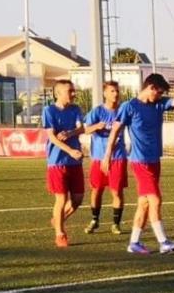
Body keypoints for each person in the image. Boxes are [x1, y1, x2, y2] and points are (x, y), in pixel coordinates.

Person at [103, 73, 174, 254]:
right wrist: (107, 156)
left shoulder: (159, 104)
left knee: (144, 203)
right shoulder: (129, 107)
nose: (160, 96)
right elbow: (115, 132)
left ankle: (134, 242)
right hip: (140, 161)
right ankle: (163, 241)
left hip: (154, 160)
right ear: (150, 87)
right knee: (155, 199)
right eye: (158, 92)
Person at [43, 80, 85, 247]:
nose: (73, 94)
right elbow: (52, 137)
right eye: (70, 91)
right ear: (58, 93)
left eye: (74, 90)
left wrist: (70, 133)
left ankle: (57, 220)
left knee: (77, 200)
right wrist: (69, 150)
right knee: (61, 199)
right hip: (57, 162)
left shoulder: (75, 109)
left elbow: (81, 128)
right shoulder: (49, 110)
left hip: (75, 162)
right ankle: (60, 233)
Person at [83, 80, 127, 235]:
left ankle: (116, 224)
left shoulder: (122, 111)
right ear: (105, 93)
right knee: (97, 190)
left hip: (118, 157)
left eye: (117, 91)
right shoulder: (97, 112)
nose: (115, 94)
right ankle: (94, 220)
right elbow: (85, 129)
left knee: (117, 191)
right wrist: (96, 126)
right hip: (98, 158)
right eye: (112, 91)